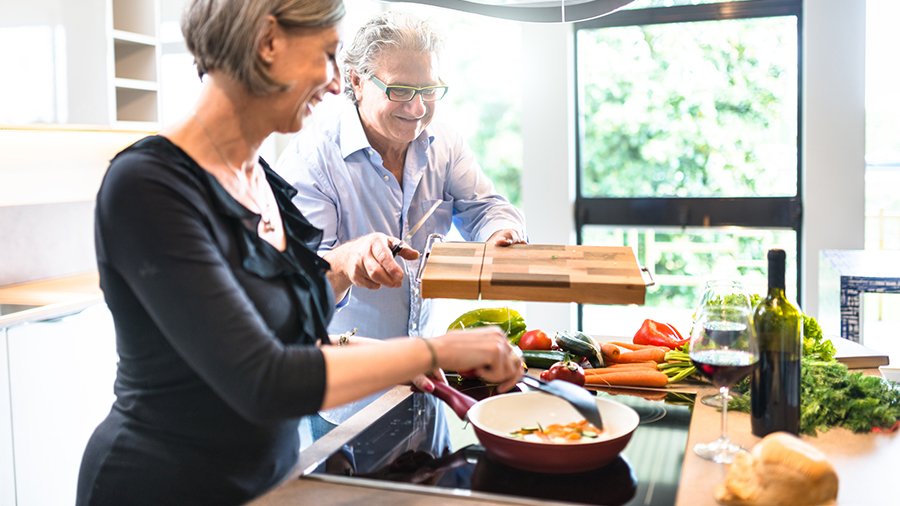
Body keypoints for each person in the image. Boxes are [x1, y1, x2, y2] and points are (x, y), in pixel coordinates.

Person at [74, 1, 522, 505]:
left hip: (270, 482)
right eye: (328, 56)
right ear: (268, 43)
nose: (335, 85)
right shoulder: (148, 186)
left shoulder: (261, 181)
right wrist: (437, 350)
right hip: (163, 486)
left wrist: (400, 360)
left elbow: (292, 339)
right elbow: (263, 378)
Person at [275, 10, 527, 441]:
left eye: (429, 89)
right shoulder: (311, 158)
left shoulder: (443, 141)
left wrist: (499, 232)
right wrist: (350, 261)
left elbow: (484, 207)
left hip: (428, 383)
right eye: (400, 89)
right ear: (355, 81)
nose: (417, 107)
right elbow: (302, 284)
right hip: (345, 399)